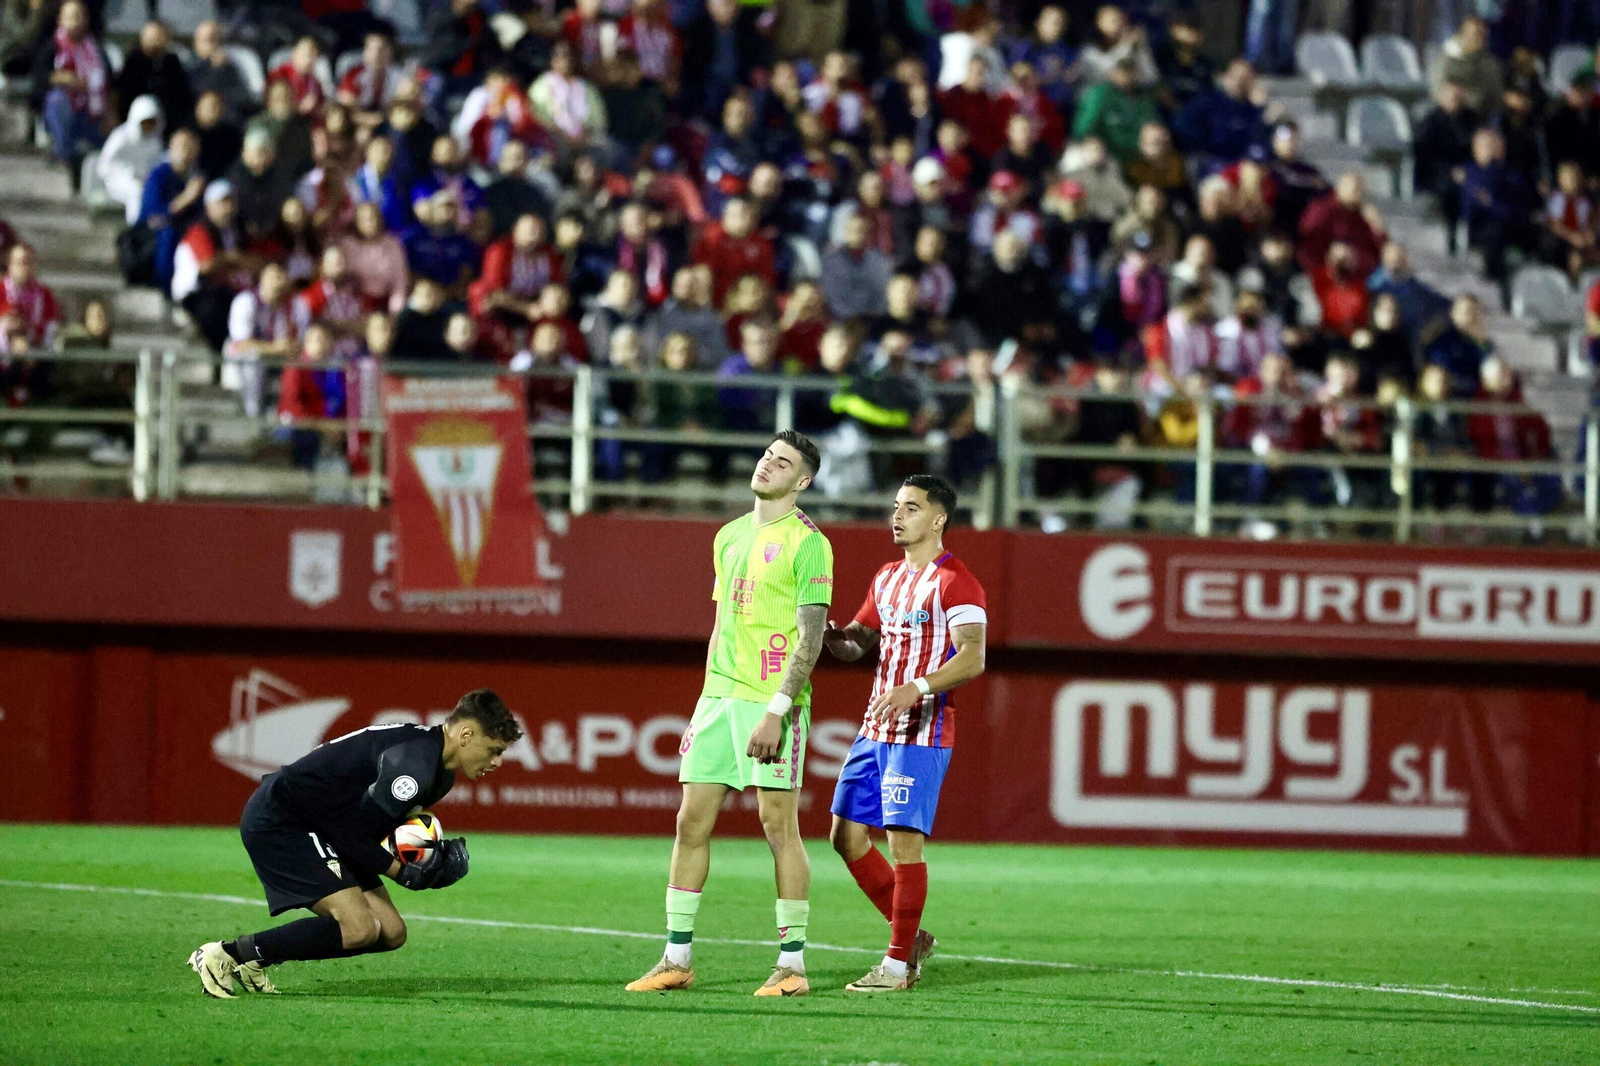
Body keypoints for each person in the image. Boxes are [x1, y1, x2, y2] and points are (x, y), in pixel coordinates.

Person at [625, 431, 833, 998]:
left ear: (803, 481)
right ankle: (676, 957)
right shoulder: (728, 535)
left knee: (777, 826)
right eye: (766, 454)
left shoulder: (809, 543)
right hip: (718, 700)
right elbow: (722, 628)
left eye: (783, 462)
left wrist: (777, 710)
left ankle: (792, 966)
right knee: (689, 823)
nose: (768, 464)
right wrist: (704, 702)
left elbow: (809, 640)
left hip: (772, 705)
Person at [186, 690, 518, 998]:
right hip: (284, 819)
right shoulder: (414, 767)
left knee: (391, 932)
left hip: (324, 826)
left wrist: (421, 859)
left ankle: (257, 960)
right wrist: (402, 872)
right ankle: (224, 954)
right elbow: (350, 835)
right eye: (495, 749)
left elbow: (365, 828)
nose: (498, 762)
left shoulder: (438, 771)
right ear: (466, 736)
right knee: (359, 928)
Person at [822, 473, 986, 992]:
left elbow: (974, 657)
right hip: (876, 726)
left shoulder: (956, 580)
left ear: (938, 518)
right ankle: (911, 937)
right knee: (844, 837)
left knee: (902, 845)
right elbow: (858, 643)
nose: (897, 515)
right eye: (896, 506)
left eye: (911, 508)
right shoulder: (887, 576)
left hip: (921, 729)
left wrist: (917, 686)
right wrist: (827, 636)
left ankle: (896, 967)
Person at [97, 94, 164, 224]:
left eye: (152, 122)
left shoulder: (156, 142)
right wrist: (128, 174)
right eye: (145, 122)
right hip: (118, 182)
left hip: (145, 181)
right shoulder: (121, 137)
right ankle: (136, 227)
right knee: (136, 192)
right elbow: (103, 166)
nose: (149, 126)